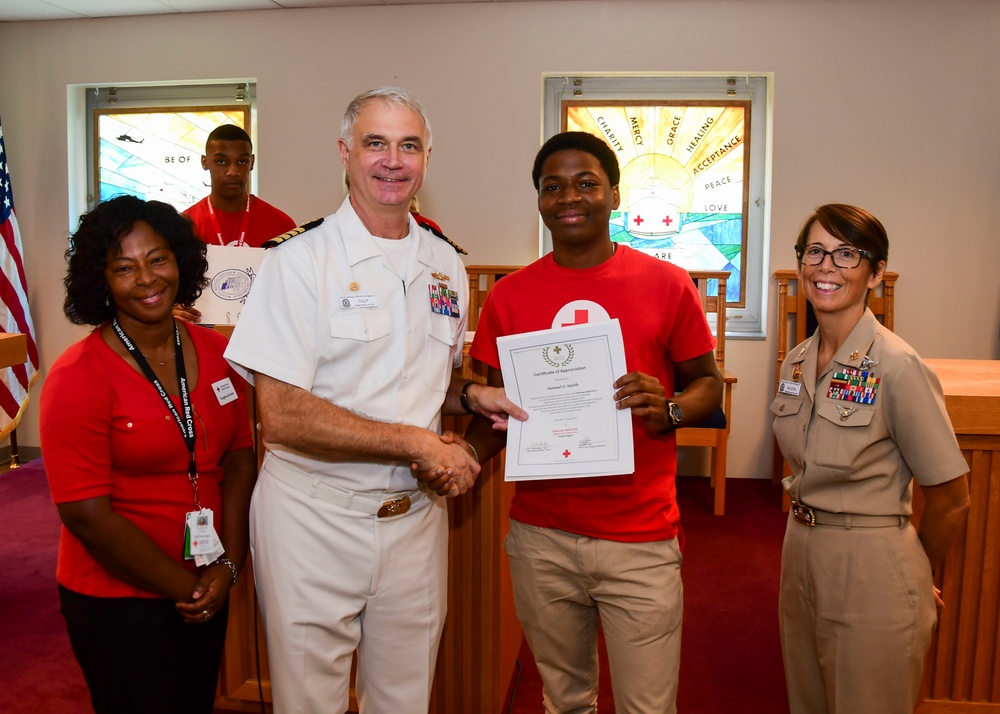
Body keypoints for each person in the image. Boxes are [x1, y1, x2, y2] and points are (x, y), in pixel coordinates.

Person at [223, 86, 525, 713]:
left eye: (408, 145)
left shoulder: (445, 264)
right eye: (376, 143)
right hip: (313, 516)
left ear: (427, 158)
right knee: (310, 701)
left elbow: (418, 379)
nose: (393, 160)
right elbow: (280, 413)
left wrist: (470, 391)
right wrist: (413, 441)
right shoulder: (298, 262)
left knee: (405, 699)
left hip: (414, 517)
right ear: (345, 153)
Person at [458, 131, 723, 713]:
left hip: (639, 537)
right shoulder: (509, 296)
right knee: (566, 701)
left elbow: (706, 385)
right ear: (538, 200)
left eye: (585, 183)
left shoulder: (667, 283)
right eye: (552, 186)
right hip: (541, 537)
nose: (568, 197)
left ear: (614, 194)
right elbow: (483, 404)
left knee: (646, 708)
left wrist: (669, 407)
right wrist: (468, 456)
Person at [40, 195, 257, 714]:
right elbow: (86, 515)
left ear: (180, 260)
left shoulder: (217, 353)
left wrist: (227, 566)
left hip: (208, 579)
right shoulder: (78, 377)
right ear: (101, 281)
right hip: (118, 602)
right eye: (124, 267)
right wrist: (189, 587)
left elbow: (239, 460)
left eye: (157, 259)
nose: (147, 279)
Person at [771, 204, 970, 714]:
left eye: (846, 254)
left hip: (872, 562)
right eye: (814, 251)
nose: (826, 266)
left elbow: (951, 498)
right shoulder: (796, 361)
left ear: (876, 273)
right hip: (800, 550)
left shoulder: (899, 367)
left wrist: (912, 574)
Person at [177, 124, 296, 322]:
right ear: (205, 162)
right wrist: (172, 308)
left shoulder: (282, 225)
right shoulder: (183, 226)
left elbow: (295, 290)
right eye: (221, 161)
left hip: (264, 338)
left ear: (252, 162)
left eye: (241, 161)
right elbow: (167, 289)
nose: (232, 171)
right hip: (200, 338)